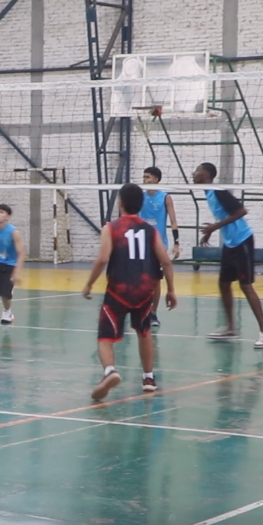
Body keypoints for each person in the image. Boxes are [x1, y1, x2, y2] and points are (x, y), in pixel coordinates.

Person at [82, 183, 176, 399]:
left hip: (118, 290)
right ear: (141, 204)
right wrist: (171, 290)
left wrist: (89, 283)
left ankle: (110, 371)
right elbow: (166, 261)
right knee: (145, 332)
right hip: (144, 291)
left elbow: (103, 259)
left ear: (121, 202)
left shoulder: (111, 228)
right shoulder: (151, 231)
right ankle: (149, 378)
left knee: (105, 336)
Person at [193, 162, 263, 347]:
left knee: (246, 286)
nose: (193, 174)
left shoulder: (219, 191)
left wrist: (215, 227)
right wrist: (212, 231)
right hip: (230, 243)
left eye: (197, 171)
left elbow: (241, 211)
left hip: (242, 240)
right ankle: (230, 328)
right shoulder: (208, 192)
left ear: (206, 174)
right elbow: (223, 216)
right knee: (224, 283)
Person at [140, 166, 180, 327]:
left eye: (148, 177)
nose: (144, 180)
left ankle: (153, 313)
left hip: (158, 245)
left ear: (156, 179)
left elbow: (173, 222)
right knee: (139, 279)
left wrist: (176, 243)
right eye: (144, 177)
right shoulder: (139, 197)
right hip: (141, 244)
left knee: (156, 280)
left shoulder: (165, 197)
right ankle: (140, 310)